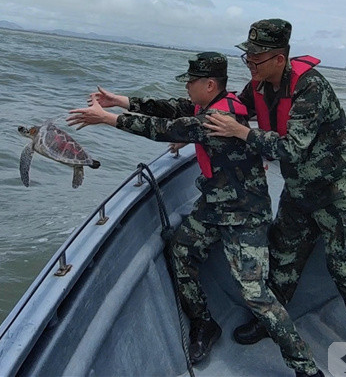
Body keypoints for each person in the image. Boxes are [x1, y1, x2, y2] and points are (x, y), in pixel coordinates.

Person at [67, 52, 326, 376]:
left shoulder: (213, 121)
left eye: (191, 83)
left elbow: (163, 128)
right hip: (215, 205)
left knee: (256, 295)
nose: (187, 88)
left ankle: (306, 367)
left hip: (244, 215)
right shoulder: (221, 104)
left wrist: (107, 118)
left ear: (209, 84)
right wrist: (119, 100)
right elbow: (174, 109)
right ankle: (204, 323)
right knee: (180, 249)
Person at [204, 19, 346, 361]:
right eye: (247, 57)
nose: (249, 65)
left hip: (339, 193)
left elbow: (292, 148)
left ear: (279, 59)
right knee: (282, 256)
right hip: (299, 191)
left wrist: (241, 133)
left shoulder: (311, 88)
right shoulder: (259, 85)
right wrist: (195, 130)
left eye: (256, 59)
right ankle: (270, 322)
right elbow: (230, 109)